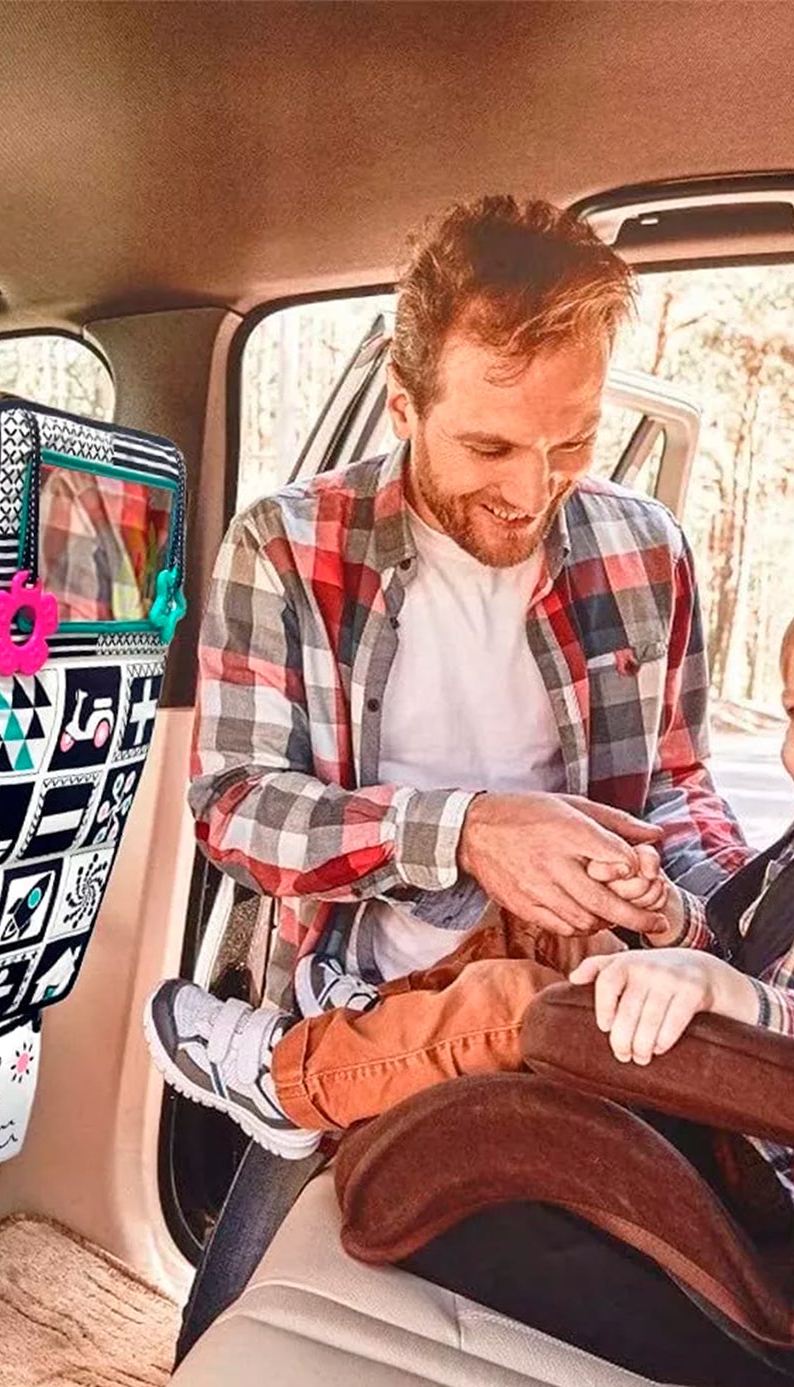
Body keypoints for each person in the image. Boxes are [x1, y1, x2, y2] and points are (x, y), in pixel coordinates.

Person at [143, 195, 747, 1154]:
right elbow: (232, 807)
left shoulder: (646, 548)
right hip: (358, 1005)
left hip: (584, 1003)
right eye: (489, 446)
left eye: (573, 443)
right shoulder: (286, 545)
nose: (531, 491)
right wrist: (465, 830)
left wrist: (694, 910)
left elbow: (678, 784)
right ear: (402, 402)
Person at [147, 561, 794, 1164]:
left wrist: (721, 991)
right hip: (730, 1083)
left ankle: (292, 1083)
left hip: (754, 1150)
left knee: (522, 1000)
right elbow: (752, 948)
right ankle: (375, 1023)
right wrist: (668, 917)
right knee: (564, 917)